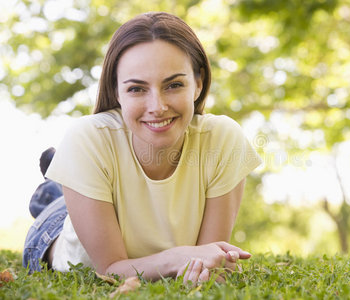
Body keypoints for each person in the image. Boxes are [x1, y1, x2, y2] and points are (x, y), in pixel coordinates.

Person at [23, 12, 261, 285]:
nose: (157, 106)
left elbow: (207, 263)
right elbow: (111, 269)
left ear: (198, 83)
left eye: (173, 85)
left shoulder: (223, 139)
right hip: (54, 235)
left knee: (74, 181)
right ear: (116, 91)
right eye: (137, 89)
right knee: (56, 204)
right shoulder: (87, 137)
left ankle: (64, 176)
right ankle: (57, 182)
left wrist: (206, 267)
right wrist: (179, 259)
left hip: (98, 180)